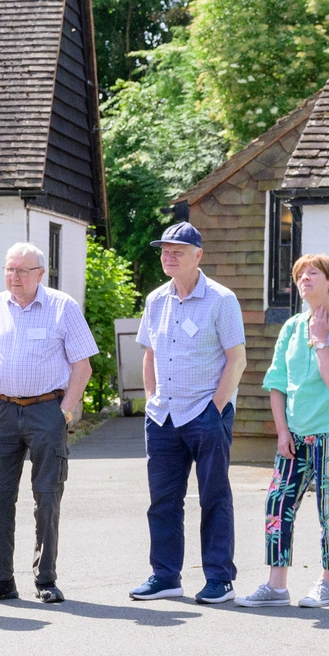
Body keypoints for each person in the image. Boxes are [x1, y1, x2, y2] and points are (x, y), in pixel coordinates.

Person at [0, 242, 98, 605]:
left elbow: (82, 367)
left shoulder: (62, 307)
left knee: (47, 496)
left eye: (23, 270)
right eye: (10, 269)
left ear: (41, 273)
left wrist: (64, 413)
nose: (15, 277)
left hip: (46, 411)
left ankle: (46, 579)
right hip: (4, 412)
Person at [240, 254, 329, 609]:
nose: (305, 279)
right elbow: (277, 382)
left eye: (313, 273)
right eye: (299, 275)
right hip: (294, 434)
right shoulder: (292, 327)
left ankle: (327, 583)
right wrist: (282, 431)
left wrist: (321, 339)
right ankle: (276, 587)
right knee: (278, 503)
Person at [131, 222, 247, 604]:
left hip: (205, 414)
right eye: (164, 250)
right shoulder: (155, 300)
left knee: (214, 496)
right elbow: (149, 353)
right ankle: (165, 576)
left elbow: (237, 359)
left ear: (198, 256)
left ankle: (219, 579)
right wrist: (151, 399)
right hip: (163, 415)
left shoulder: (221, 299)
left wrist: (215, 409)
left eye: (177, 251)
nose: (168, 256)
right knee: (162, 500)